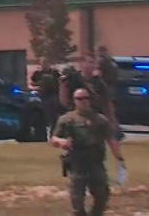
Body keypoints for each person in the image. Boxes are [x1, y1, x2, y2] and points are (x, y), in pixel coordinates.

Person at [51, 88, 126, 216]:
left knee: (102, 194)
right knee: (77, 197)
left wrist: (119, 158)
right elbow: (53, 139)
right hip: (77, 163)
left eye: (86, 98)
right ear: (74, 101)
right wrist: (61, 142)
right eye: (79, 99)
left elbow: (111, 140)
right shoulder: (67, 119)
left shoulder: (100, 120)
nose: (83, 101)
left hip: (95, 162)